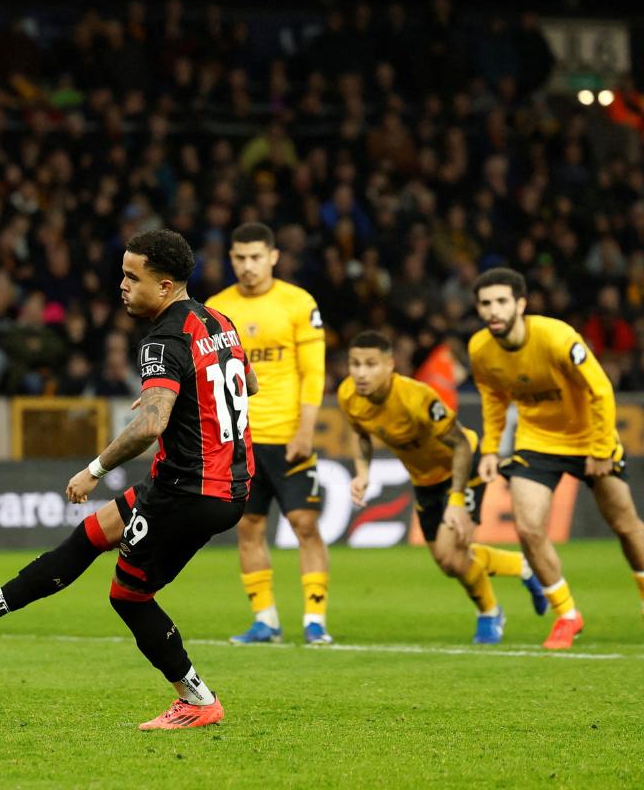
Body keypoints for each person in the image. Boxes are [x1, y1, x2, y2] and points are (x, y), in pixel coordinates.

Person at [0, 229, 256, 730]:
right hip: (218, 482)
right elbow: (247, 383)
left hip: (189, 490)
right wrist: (180, 394)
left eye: (133, 276)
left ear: (166, 285)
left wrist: (93, 470)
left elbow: (151, 425)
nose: (122, 285)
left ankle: (197, 700)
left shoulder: (164, 336)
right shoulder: (220, 320)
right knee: (91, 534)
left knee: (128, 596)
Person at [469, 267, 644, 649]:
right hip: (538, 442)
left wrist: (599, 449)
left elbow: (600, 389)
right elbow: (494, 400)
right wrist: (490, 449)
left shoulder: (556, 337)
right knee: (528, 528)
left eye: (501, 301)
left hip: (588, 439)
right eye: (485, 304)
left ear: (521, 304)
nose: (493, 311)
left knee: (626, 525)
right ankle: (567, 614)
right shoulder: (480, 349)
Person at [341, 330, 547, 643]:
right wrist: (362, 472)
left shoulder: (417, 398)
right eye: (355, 364)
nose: (361, 373)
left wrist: (455, 500)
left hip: (463, 467)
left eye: (370, 364)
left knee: (453, 557)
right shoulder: (349, 396)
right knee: (447, 562)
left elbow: (461, 444)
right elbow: (360, 433)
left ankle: (490, 613)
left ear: (390, 366)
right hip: (425, 480)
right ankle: (523, 567)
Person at [205, 223, 331, 645]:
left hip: (289, 436)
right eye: (240, 258)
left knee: (305, 524)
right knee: (249, 527)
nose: (248, 266)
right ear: (231, 260)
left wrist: (306, 431)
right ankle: (266, 620)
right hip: (239, 439)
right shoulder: (216, 308)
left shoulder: (298, 303)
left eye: (256, 257)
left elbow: (313, 373)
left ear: (274, 257)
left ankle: (315, 619)